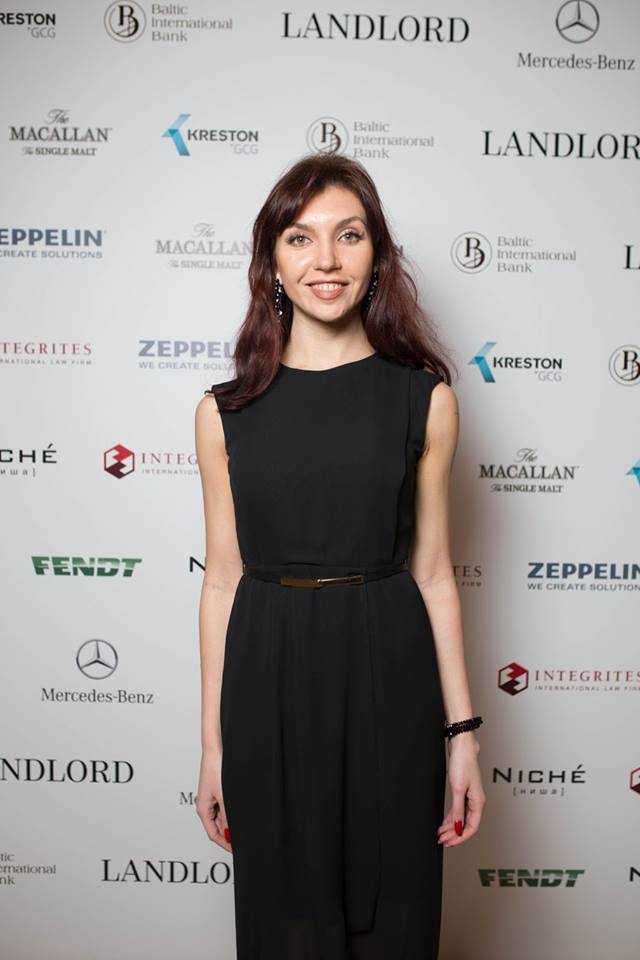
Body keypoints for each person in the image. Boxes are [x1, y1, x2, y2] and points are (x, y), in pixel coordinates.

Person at [194, 152, 485, 959]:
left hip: (390, 671)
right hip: (268, 679)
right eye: (300, 238)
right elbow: (221, 583)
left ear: (377, 255)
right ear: (272, 262)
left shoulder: (425, 399)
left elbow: (434, 573)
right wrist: (214, 749)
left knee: (392, 920)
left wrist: (462, 734)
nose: (325, 260)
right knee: (284, 926)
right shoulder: (223, 414)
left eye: (348, 236)